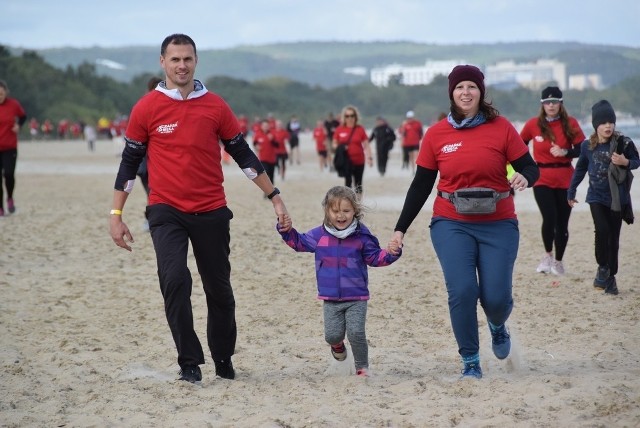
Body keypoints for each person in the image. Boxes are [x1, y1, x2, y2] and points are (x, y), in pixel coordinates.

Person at [108, 34, 290, 384]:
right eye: (174, 59)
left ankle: (223, 357)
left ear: (196, 61)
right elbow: (129, 165)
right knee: (175, 279)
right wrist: (116, 215)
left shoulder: (215, 106)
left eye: (187, 59)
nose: (181, 65)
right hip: (165, 210)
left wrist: (274, 196)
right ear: (162, 62)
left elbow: (243, 155)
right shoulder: (147, 107)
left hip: (211, 210)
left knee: (218, 288)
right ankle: (189, 362)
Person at [388, 65, 539, 379]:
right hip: (451, 223)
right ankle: (470, 362)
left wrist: (525, 176)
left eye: (472, 86)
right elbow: (420, 185)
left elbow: (529, 166)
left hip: (499, 223)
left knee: (496, 299)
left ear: (480, 91)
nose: (466, 92)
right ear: (451, 93)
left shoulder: (501, 128)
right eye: (460, 88)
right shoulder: (437, 134)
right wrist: (400, 229)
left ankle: (498, 325)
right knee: (463, 291)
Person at [277, 186, 401, 377]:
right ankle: (340, 354)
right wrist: (286, 230)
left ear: (355, 211)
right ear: (327, 211)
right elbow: (299, 243)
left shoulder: (362, 236)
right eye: (335, 211)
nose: (340, 216)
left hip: (356, 297)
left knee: (356, 333)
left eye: (346, 211)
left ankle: (362, 369)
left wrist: (392, 253)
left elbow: (375, 258)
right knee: (332, 336)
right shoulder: (319, 235)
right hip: (330, 297)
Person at [567, 100, 638, 296]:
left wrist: (625, 161)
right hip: (596, 197)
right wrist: (571, 191)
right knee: (602, 231)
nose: (608, 126)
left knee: (613, 240)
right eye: (603, 122)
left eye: (611, 122)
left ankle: (611, 277)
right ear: (596, 125)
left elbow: (636, 162)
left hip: (618, 199)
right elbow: (580, 168)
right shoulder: (587, 146)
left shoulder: (624, 143)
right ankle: (602, 267)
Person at [520, 86, 585, 275]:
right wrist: (526, 167)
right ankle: (547, 255)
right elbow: (518, 146)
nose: (551, 105)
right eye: (547, 102)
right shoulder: (533, 124)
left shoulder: (571, 123)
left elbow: (583, 149)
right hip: (542, 178)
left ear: (560, 103)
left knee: (562, 223)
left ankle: (558, 261)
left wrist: (566, 152)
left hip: (566, 178)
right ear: (542, 105)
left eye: (555, 102)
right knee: (549, 218)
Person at [332, 106, 373, 196]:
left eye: (352, 115)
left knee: (358, 184)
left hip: (359, 161)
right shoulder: (339, 129)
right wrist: (341, 147)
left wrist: (369, 157)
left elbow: (366, 144)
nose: (350, 118)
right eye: (347, 116)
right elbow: (334, 144)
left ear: (355, 117)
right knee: (347, 184)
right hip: (346, 161)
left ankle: (358, 206)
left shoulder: (360, 129)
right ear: (344, 117)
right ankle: (348, 205)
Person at [0, 79, 27, 216]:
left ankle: (10, 198)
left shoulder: (13, 104)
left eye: (1, 93)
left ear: (5, 92)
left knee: (9, 174)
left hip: (10, 146)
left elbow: (23, 116)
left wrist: (19, 126)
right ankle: (0, 207)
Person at [253, 119, 279, 189]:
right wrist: (256, 147)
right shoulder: (258, 134)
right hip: (263, 159)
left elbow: (277, 145)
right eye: (264, 126)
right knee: (266, 175)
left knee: (272, 176)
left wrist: (272, 140)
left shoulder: (272, 134)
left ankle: (272, 192)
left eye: (267, 126)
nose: (265, 127)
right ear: (261, 126)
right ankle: (266, 192)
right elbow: (254, 143)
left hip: (272, 159)